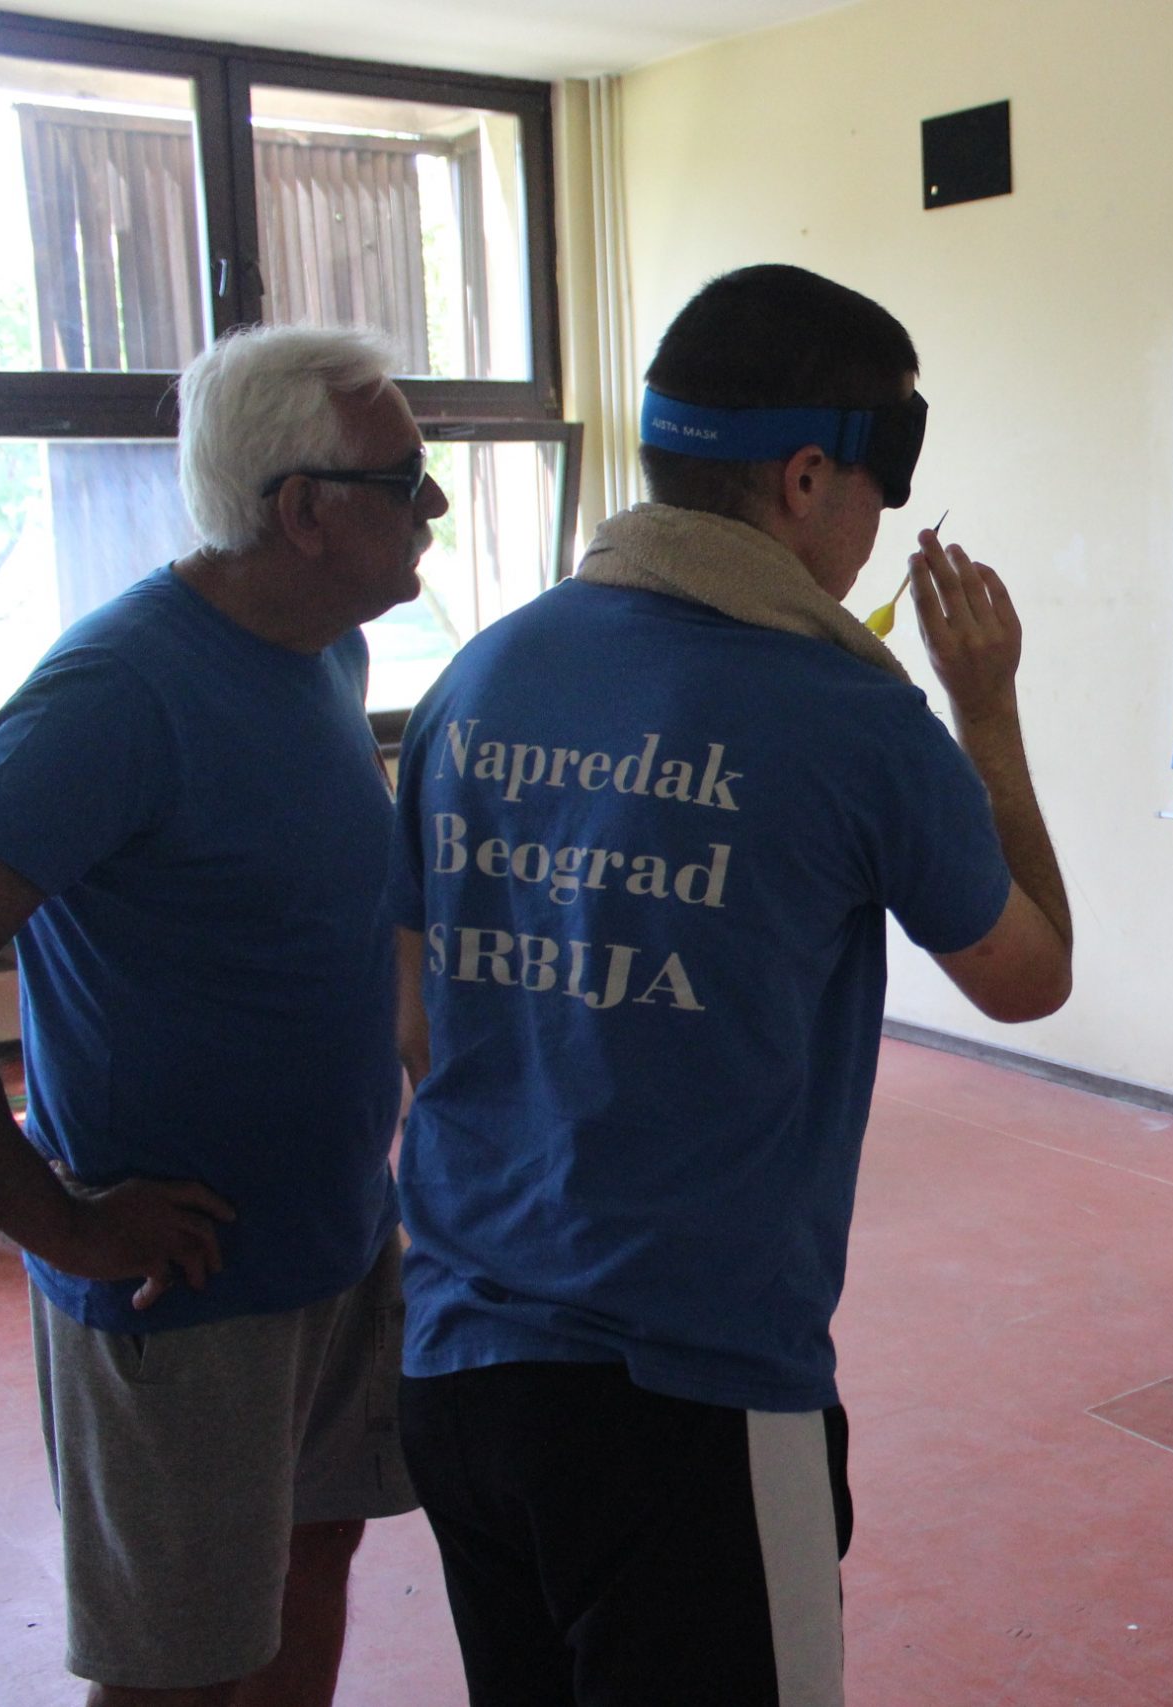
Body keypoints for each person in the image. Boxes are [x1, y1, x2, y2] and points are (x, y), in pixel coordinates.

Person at [387, 263, 1074, 1707]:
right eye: (874, 482)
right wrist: (989, 711)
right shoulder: (849, 712)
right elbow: (1030, 975)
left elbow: (417, 1012)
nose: (880, 519)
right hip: (688, 1391)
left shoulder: (481, 675)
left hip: (459, 1356)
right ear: (808, 473)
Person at [0, 325, 443, 1704]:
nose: (437, 505)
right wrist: (61, 1221)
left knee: (308, 1567)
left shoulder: (322, 654)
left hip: (332, 1240)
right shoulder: (121, 692)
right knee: (180, 1663)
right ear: (304, 510)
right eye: (408, 477)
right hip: (179, 1293)